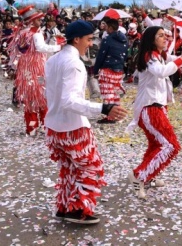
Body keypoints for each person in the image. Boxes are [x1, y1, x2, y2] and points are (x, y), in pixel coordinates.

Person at [45, 20, 127, 224]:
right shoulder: (74, 64)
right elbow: (69, 100)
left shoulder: (53, 60)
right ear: (77, 39)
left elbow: (52, 94)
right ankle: (78, 209)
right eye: (89, 39)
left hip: (54, 126)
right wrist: (103, 107)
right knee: (91, 166)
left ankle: (65, 207)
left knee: (70, 168)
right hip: (72, 127)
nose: (91, 44)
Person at [126, 26, 182, 199]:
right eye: (160, 36)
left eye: (165, 36)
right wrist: (179, 61)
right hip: (149, 108)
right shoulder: (149, 56)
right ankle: (140, 176)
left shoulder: (159, 56)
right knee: (170, 146)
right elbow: (162, 71)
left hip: (157, 106)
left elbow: (178, 60)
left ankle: (149, 175)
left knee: (157, 145)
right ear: (151, 39)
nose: (165, 39)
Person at [15, 6, 63, 135]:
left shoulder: (22, 33)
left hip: (25, 69)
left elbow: (18, 50)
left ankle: (32, 127)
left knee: (29, 97)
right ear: (31, 21)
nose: (40, 21)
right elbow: (41, 48)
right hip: (37, 68)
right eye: (37, 20)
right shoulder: (36, 34)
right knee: (41, 96)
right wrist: (59, 47)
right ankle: (45, 125)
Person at [93, 18, 128, 124]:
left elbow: (101, 56)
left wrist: (95, 69)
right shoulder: (124, 39)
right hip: (119, 70)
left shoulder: (107, 40)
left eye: (106, 27)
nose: (105, 29)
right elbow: (126, 55)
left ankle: (109, 115)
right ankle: (117, 114)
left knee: (107, 93)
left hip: (107, 69)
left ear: (111, 28)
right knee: (115, 93)